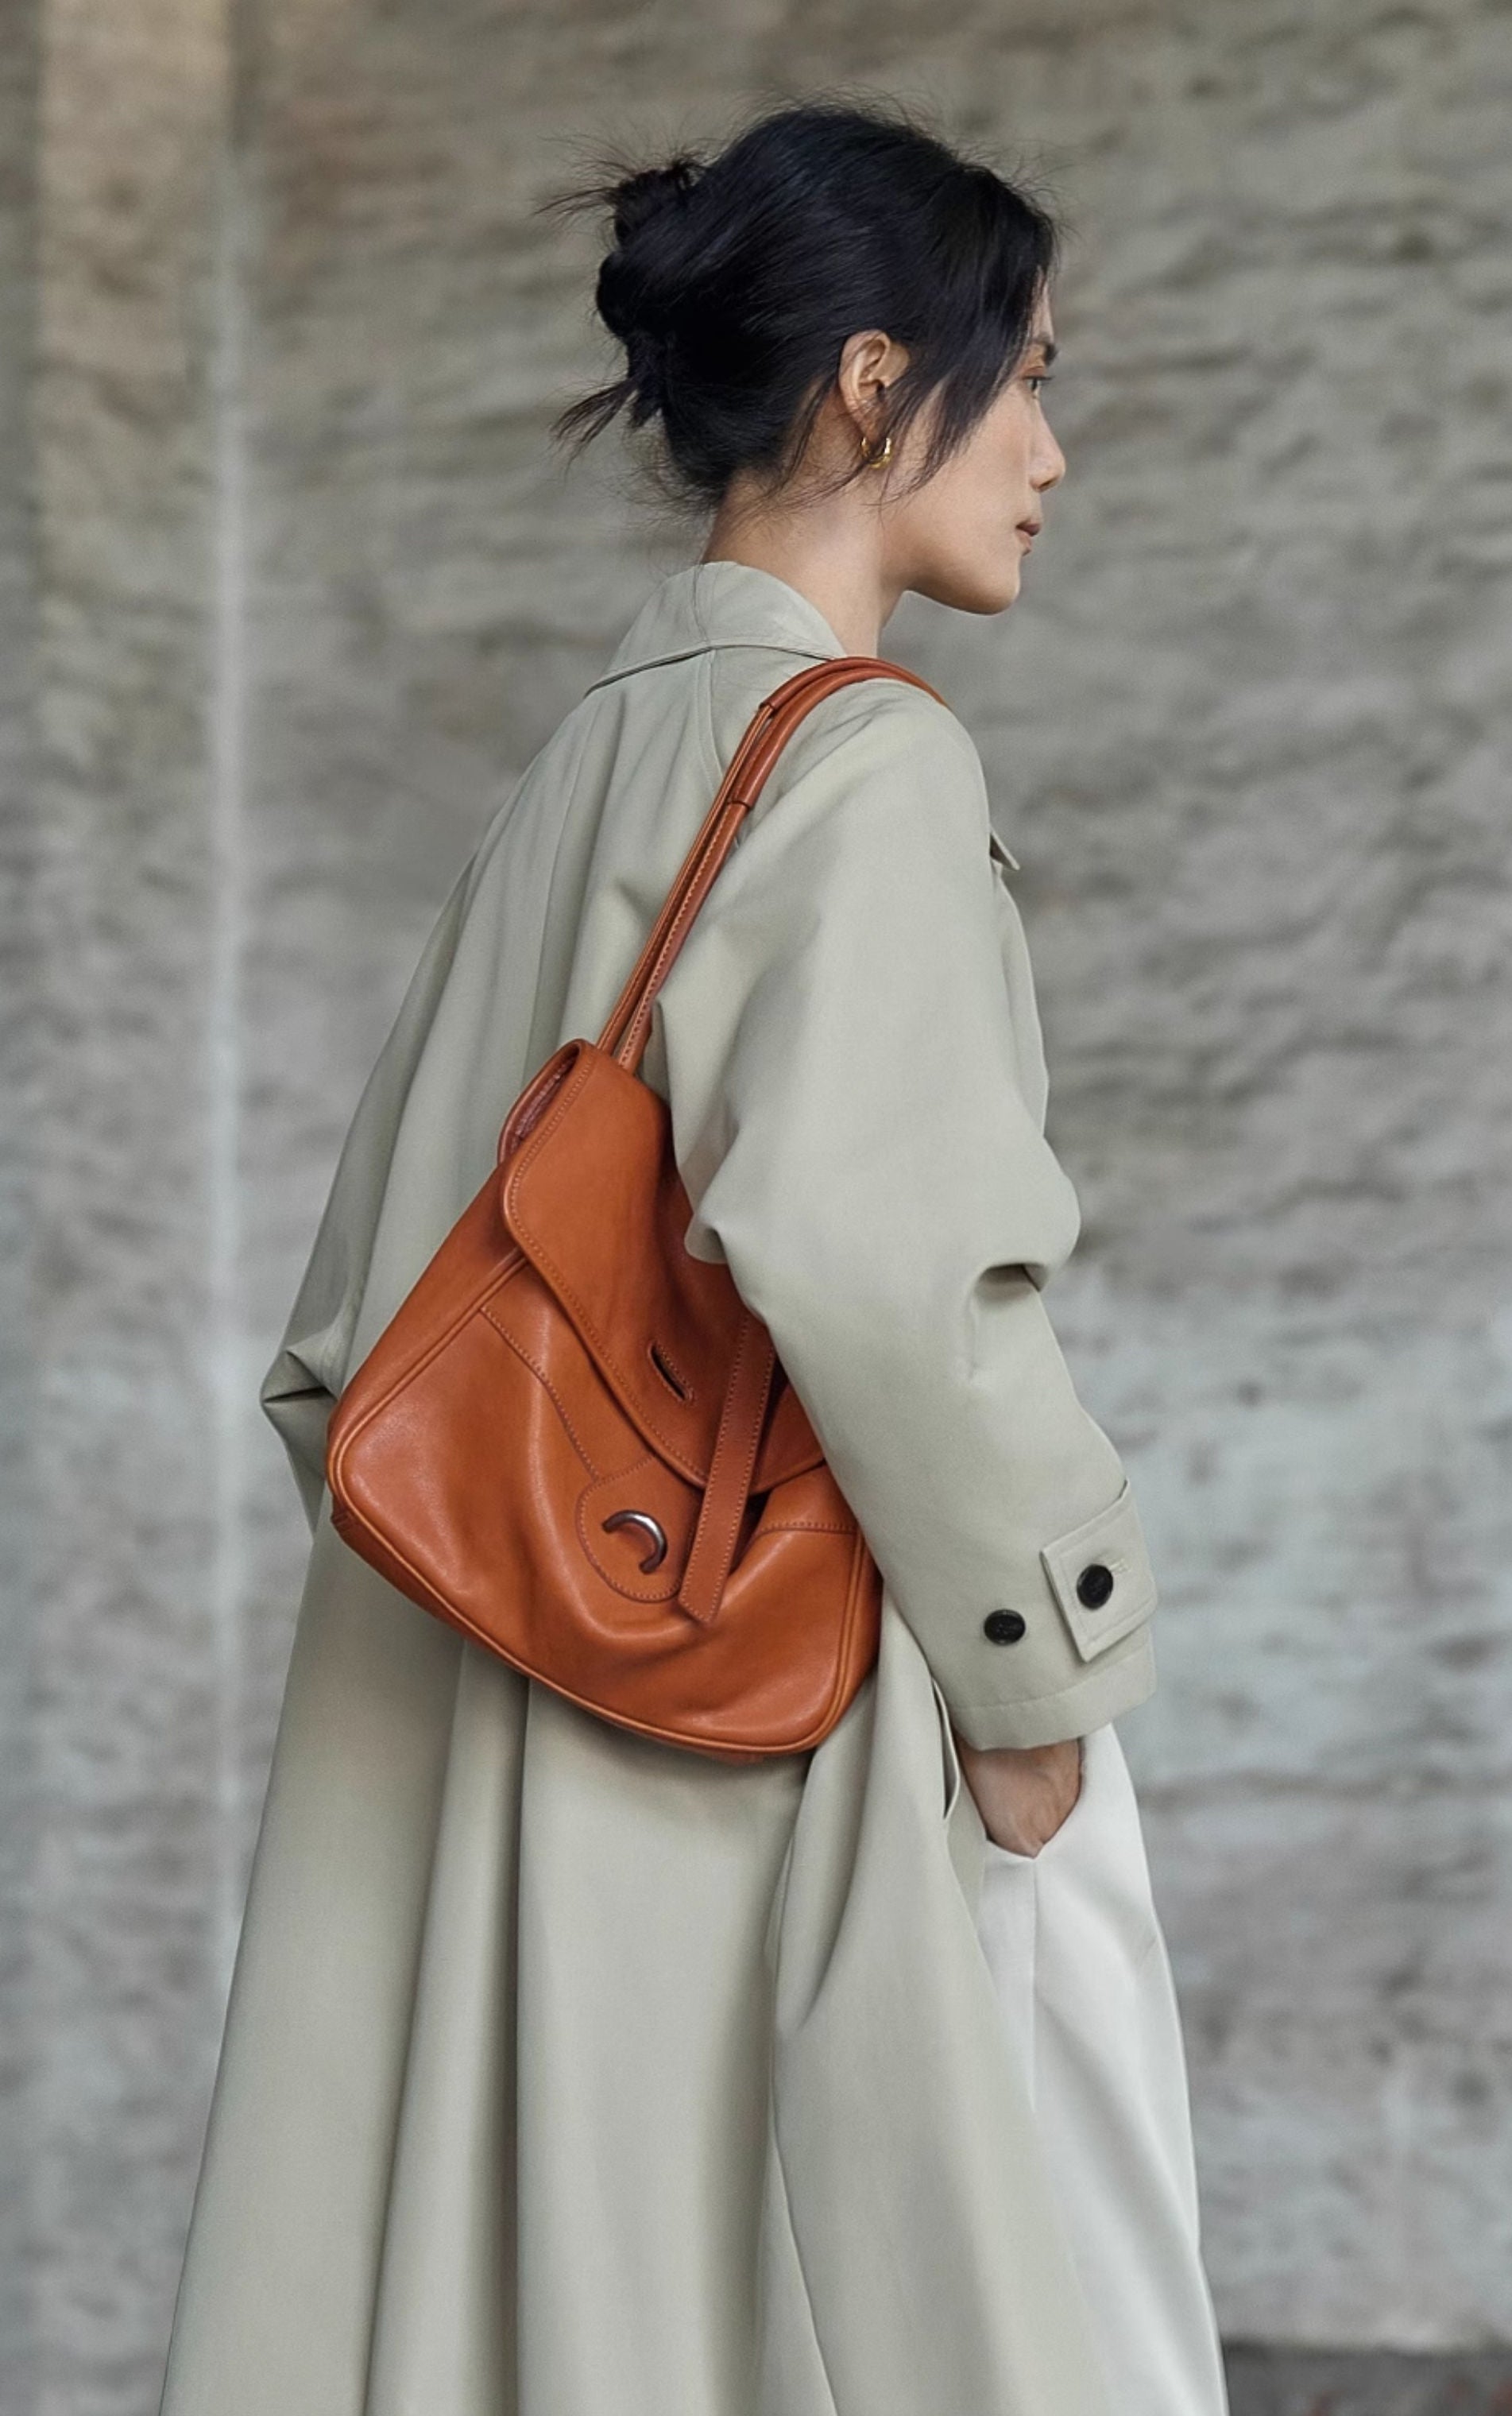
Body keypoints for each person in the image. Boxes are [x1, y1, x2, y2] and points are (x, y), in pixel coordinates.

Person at [159, 99, 1228, 2416]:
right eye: (1024, 372)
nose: (1049, 449)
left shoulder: (568, 781)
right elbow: (879, 1261)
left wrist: (549, 1555)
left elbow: (340, 1347)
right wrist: (1039, 1693)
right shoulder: (858, 764)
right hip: (749, 1727)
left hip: (487, 1716)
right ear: (872, 381)